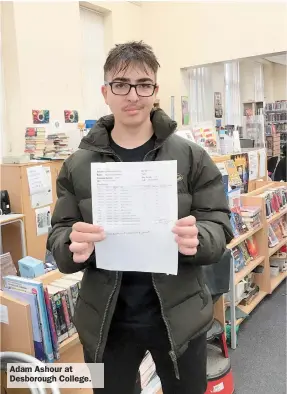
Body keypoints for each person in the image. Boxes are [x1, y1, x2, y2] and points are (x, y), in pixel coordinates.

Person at [47, 41, 233, 394]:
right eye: (121, 84)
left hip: (179, 319)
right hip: (105, 321)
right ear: (105, 92)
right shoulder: (77, 165)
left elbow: (218, 223)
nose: (133, 95)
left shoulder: (191, 156)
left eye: (143, 84)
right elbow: (59, 235)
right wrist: (71, 245)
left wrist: (201, 238)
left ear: (155, 91)